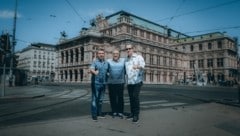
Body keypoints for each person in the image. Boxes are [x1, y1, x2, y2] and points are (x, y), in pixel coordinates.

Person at [125, 44, 145, 123]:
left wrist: (138, 66)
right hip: (129, 82)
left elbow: (143, 65)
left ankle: (136, 114)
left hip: (137, 81)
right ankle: (132, 113)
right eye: (127, 49)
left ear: (133, 49)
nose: (128, 50)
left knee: (135, 97)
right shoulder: (126, 60)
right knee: (131, 98)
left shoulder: (138, 57)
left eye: (130, 48)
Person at [89, 48, 109, 121]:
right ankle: (94, 114)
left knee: (100, 99)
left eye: (102, 53)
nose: (101, 54)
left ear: (104, 54)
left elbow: (108, 71)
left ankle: (99, 113)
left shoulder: (106, 63)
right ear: (97, 54)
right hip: (96, 83)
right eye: (100, 53)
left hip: (103, 84)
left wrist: (108, 74)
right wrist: (94, 72)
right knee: (94, 99)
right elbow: (91, 69)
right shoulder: (94, 62)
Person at [107, 49, 125, 119]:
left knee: (120, 98)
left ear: (119, 54)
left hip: (120, 83)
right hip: (111, 83)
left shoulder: (123, 60)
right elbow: (104, 68)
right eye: (114, 53)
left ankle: (120, 112)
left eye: (117, 53)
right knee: (112, 98)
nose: (115, 55)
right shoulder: (108, 61)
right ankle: (114, 111)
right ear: (112, 54)